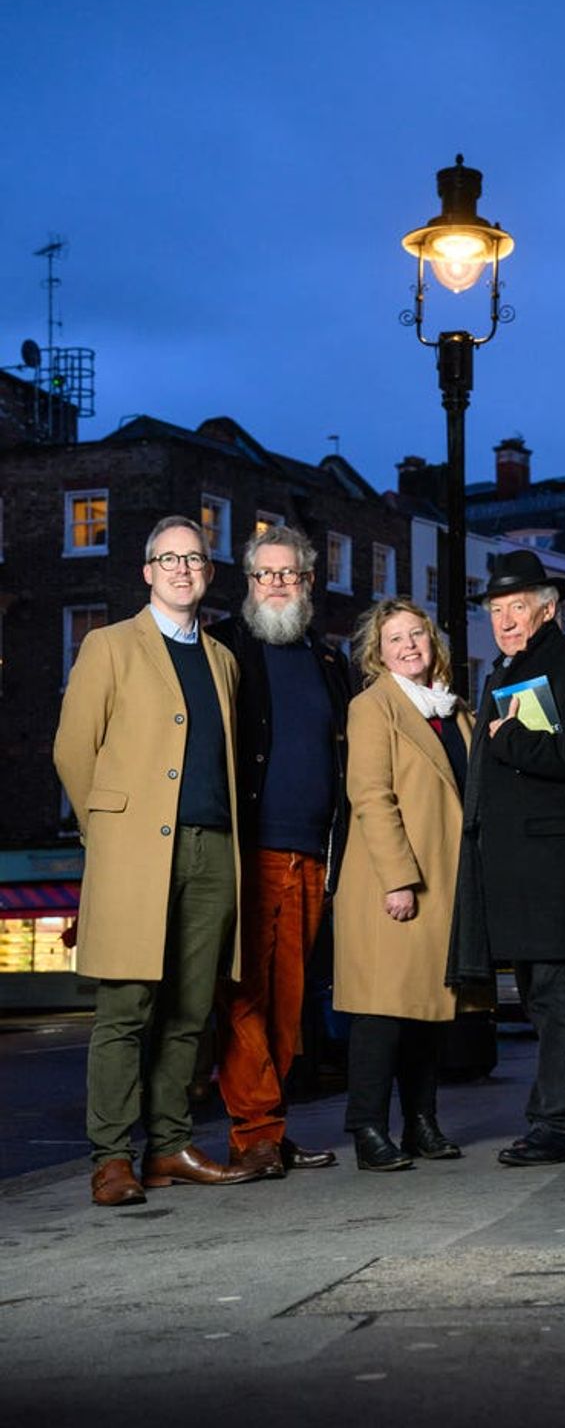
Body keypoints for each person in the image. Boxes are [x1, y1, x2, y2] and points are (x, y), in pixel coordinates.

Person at [53, 516, 260, 1205]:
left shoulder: (222, 659)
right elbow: (72, 750)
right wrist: (106, 834)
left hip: (212, 851)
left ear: (208, 574)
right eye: (167, 559)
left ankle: (169, 1146)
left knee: (190, 1009)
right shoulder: (108, 646)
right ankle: (112, 1158)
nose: (181, 569)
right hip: (132, 851)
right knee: (126, 1007)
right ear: (147, 572)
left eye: (194, 559)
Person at [449, 549, 565, 1167]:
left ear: (548, 609)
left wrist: (513, 740)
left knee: (554, 1000)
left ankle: (559, 1125)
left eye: (516, 607)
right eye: (497, 610)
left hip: (559, 870)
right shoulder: (506, 670)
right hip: (529, 872)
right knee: (548, 998)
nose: (504, 620)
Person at [209, 525, 349, 1180]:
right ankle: (257, 1129)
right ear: (249, 582)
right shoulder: (226, 649)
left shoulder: (329, 662)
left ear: (308, 581)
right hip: (250, 851)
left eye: (288, 573)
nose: (277, 584)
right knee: (243, 996)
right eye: (265, 574)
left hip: (312, 857)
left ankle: (265, 1132)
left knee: (290, 1003)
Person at [333, 598, 472, 1172]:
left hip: (442, 879)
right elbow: (370, 795)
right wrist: (398, 880)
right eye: (395, 639)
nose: (410, 645)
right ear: (378, 652)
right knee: (380, 1014)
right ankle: (368, 1128)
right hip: (390, 883)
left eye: (417, 634)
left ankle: (420, 1122)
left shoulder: (453, 709)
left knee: (426, 1011)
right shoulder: (373, 707)